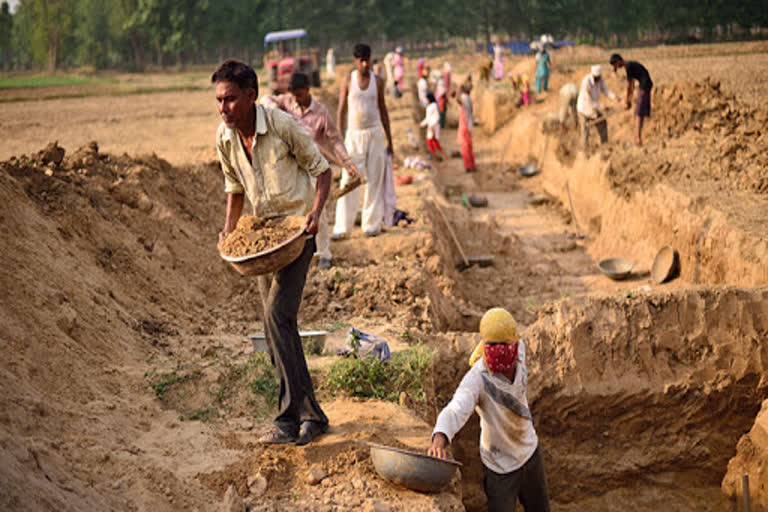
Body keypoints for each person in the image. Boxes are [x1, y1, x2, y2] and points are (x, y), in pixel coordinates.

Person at [212, 60, 330, 445]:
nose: (223, 108)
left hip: (297, 234)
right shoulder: (225, 138)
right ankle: (310, 415)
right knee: (276, 324)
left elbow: (322, 170)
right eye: (219, 100)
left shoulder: (282, 125)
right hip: (263, 241)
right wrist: (230, 233)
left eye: (230, 99)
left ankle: (286, 417)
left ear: (250, 96)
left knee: (278, 314)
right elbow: (235, 189)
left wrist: (315, 214)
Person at [429, 308, 550, 512]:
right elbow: (456, 408)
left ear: (513, 343)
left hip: (530, 454)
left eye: (503, 344)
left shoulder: (520, 351)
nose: (498, 350)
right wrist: (439, 439)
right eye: (492, 345)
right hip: (499, 467)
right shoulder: (478, 377)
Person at [260, 72, 361, 269]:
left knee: (318, 213)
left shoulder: (321, 113)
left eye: (300, 94)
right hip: (291, 170)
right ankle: (296, 254)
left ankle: (324, 254)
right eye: (294, 95)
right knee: (293, 213)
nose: (297, 99)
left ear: (308, 89)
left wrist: (347, 162)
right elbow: (265, 99)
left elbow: (335, 140)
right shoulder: (287, 104)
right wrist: (282, 115)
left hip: (314, 170)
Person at [333, 43, 394, 238]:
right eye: (362, 61)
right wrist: (339, 139)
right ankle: (342, 227)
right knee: (349, 179)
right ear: (355, 61)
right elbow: (341, 110)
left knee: (375, 178)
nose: (365, 64)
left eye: (368, 60)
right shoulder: (348, 81)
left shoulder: (378, 81)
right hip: (354, 135)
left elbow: (383, 110)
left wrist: (389, 140)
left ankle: (372, 224)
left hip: (375, 134)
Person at [610, 53, 653, 146]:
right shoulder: (629, 65)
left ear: (618, 62)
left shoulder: (628, 66)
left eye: (615, 65)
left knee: (638, 113)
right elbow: (632, 85)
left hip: (644, 85)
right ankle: (638, 137)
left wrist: (627, 101)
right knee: (639, 113)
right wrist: (629, 100)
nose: (617, 68)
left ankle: (637, 138)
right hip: (646, 85)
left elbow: (630, 86)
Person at [576, 65, 617, 150]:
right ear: (593, 75)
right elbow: (588, 101)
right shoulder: (586, 82)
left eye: (598, 77)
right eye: (596, 77)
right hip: (584, 109)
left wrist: (614, 96)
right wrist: (602, 107)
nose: (597, 79)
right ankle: (584, 151)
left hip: (594, 109)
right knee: (585, 131)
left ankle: (604, 146)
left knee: (603, 124)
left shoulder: (600, 80)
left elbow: (605, 90)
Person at [456, 82, 477, 173]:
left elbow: (457, 98)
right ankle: (472, 165)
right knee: (469, 147)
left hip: (465, 125)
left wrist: (459, 89)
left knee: (465, 147)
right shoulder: (468, 98)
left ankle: (468, 166)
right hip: (468, 125)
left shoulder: (465, 98)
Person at [421, 93, 446, 161]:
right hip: (431, 126)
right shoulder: (429, 107)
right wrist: (422, 124)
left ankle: (437, 155)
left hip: (433, 126)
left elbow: (437, 117)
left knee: (431, 141)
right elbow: (427, 118)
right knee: (432, 141)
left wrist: (432, 125)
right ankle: (438, 154)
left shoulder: (433, 106)